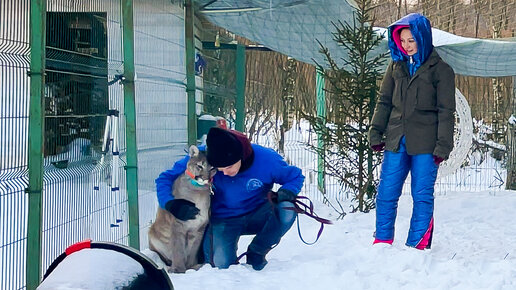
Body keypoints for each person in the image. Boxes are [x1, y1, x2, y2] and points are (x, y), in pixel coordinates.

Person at [155, 127, 305, 270]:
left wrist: (288, 191)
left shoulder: (266, 159)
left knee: (287, 209)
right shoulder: (201, 156)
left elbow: (295, 176)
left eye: (228, 167)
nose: (224, 173)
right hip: (223, 219)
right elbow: (165, 178)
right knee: (221, 266)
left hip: (258, 213)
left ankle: (257, 252)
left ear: (240, 156)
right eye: (218, 170)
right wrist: (170, 203)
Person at [368, 13, 456, 250]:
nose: (406, 46)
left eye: (411, 40)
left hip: (427, 144)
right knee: (386, 193)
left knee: (421, 195)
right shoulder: (396, 66)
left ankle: (417, 245)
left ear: (423, 38)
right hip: (396, 140)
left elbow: (446, 111)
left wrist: (443, 145)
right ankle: (382, 242)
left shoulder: (442, 71)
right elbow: (384, 102)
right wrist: (375, 132)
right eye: (403, 41)